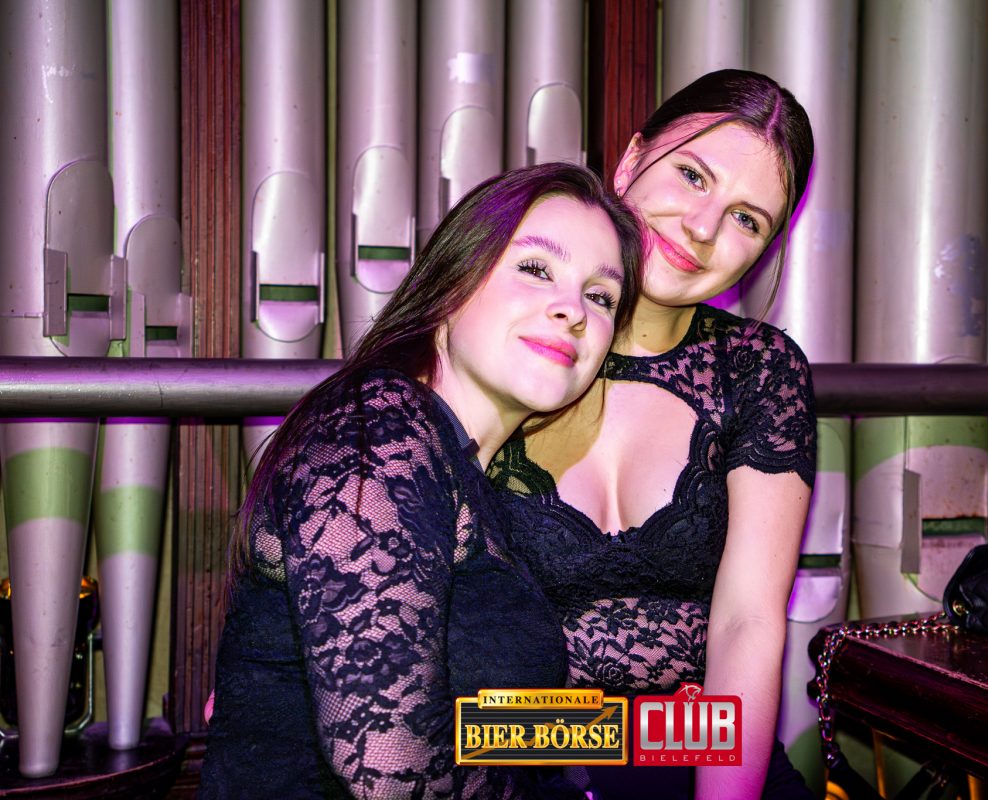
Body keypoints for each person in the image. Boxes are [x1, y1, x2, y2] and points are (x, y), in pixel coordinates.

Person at [199, 162, 643, 799]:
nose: (572, 309)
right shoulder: (379, 430)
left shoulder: (463, 471)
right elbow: (387, 771)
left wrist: (657, 732)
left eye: (600, 296)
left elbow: (477, 723)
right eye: (535, 267)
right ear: (452, 281)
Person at [489, 70, 816, 800]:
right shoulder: (511, 333)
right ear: (631, 160)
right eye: (692, 175)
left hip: (716, 762)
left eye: (747, 219)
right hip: (516, 766)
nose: (702, 227)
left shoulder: (758, 370)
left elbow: (748, 623)